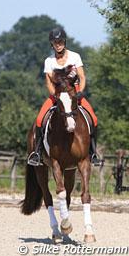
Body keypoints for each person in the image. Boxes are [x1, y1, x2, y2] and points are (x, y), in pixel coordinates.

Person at [27, 27, 102, 166]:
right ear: (52, 44)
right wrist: (55, 95)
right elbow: (49, 83)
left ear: (64, 42)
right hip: (57, 95)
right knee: (39, 120)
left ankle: (92, 153)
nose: (58, 44)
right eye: (55, 42)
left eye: (60, 41)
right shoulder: (49, 61)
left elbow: (82, 77)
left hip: (75, 93)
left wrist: (80, 91)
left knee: (94, 119)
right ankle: (37, 153)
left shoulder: (75, 56)